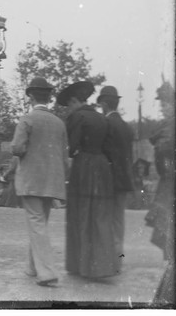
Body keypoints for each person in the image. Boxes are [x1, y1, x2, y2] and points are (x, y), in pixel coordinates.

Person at [11, 77, 68, 287]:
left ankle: (48, 273)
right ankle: (33, 267)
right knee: (40, 223)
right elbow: (64, 156)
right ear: (48, 97)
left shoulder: (27, 120)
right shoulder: (59, 123)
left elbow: (17, 148)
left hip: (31, 180)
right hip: (52, 181)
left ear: (32, 96)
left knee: (36, 224)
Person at [57, 81, 117, 278]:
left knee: (80, 214)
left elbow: (71, 147)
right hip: (102, 168)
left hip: (83, 167)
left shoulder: (77, 117)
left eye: (69, 104)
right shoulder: (101, 118)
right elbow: (109, 149)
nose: (69, 108)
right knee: (99, 216)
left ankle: (81, 267)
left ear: (74, 100)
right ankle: (103, 266)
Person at [144, 80, 176, 305]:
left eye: (166, 102)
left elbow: (162, 158)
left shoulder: (171, 126)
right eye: (162, 103)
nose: (164, 107)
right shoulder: (170, 125)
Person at [97, 86, 135, 273]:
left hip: (108, 181)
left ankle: (109, 260)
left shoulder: (105, 124)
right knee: (119, 221)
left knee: (105, 219)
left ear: (104, 104)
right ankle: (119, 260)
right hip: (124, 180)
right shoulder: (127, 127)